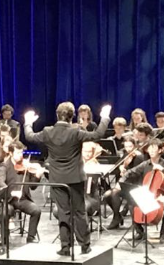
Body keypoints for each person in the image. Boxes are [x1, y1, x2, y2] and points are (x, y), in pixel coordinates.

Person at [24, 102, 111, 256]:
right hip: (75, 177)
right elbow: (97, 134)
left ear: (57, 115)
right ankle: (84, 245)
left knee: (63, 212)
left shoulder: (48, 131)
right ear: (72, 117)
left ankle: (65, 247)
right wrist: (104, 117)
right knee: (79, 211)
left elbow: (29, 136)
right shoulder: (75, 131)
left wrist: (28, 122)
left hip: (57, 178)